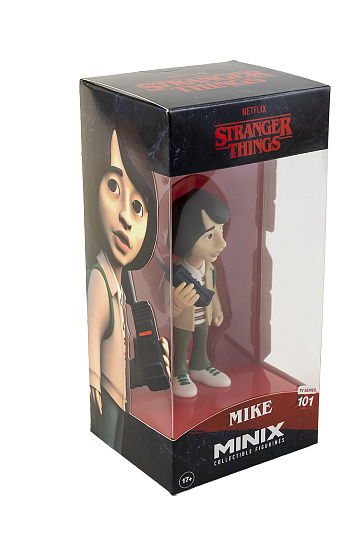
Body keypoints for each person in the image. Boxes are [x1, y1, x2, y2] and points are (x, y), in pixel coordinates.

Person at [84, 123, 168, 451]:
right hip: (102, 402)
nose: (126, 218)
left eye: (137, 206)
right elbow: (91, 344)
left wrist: (142, 372)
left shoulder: (119, 292)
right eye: (113, 186)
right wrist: (91, 382)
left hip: (120, 400)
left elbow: (115, 362)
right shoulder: (99, 281)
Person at [165, 188, 231, 398]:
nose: (222, 242)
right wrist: (176, 303)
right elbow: (163, 304)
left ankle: (200, 365)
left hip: (204, 316)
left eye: (221, 230)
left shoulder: (210, 268)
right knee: (181, 341)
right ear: (186, 235)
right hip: (183, 319)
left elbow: (213, 291)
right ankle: (179, 372)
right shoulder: (175, 273)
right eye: (210, 235)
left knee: (202, 337)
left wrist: (217, 310)